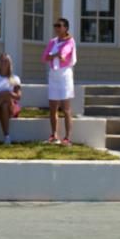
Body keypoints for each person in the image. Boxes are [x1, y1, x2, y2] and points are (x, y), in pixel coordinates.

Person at [41, 18, 76, 146]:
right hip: (53, 74)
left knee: (66, 109)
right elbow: (44, 57)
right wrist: (55, 55)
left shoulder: (70, 41)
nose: (56, 28)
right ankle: (54, 135)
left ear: (66, 28)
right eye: (55, 25)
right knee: (52, 108)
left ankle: (67, 138)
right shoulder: (52, 42)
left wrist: (56, 55)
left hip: (64, 75)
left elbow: (64, 55)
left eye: (59, 26)